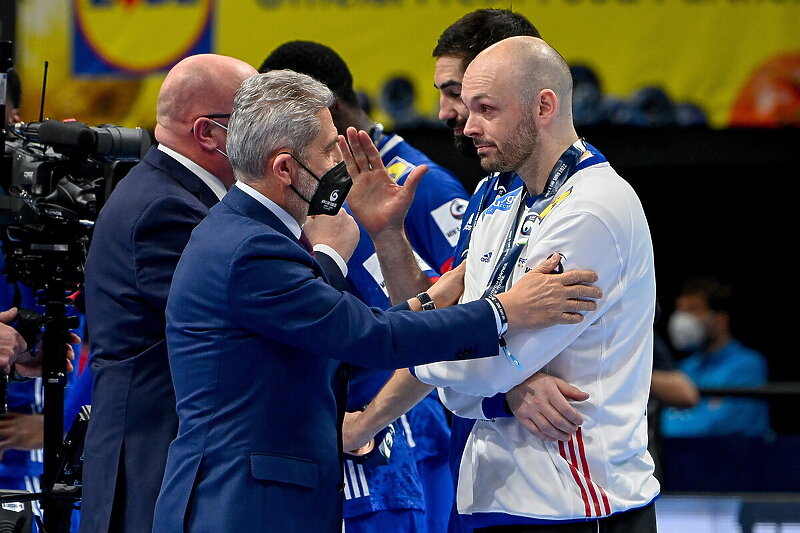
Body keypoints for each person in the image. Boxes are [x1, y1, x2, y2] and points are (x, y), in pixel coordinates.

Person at [151, 69, 604, 533]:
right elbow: (368, 337)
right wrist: (506, 310)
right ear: (284, 168)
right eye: (331, 150)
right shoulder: (252, 249)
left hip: (253, 496)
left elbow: (347, 324)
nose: (342, 166)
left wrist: (433, 296)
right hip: (244, 506)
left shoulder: (244, 232)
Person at [407, 36, 660, 531]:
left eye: (486, 108)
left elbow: (493, 368)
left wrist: (410, 345)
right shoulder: (494, 199)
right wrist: (490, 380)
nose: (468, 124)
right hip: (496, 495)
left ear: (544, 105)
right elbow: (469, 382)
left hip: (579, 504)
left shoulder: (592, 208)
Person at [260, 40, 470, 533]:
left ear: (321, 110)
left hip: (409, 438)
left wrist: (370, 419)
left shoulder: (417, 185)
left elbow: (455, 314)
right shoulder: (317, 199)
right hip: (371, 443)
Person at [79, 54, 258, 533]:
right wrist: (329, 252)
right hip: (154, 464)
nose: (268, 135)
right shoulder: (167, 209)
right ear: (207, 133)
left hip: (165, 459)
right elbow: (249, 321)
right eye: (253, 119)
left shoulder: (168, 193)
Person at [661, 277, 769, 437]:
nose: (682, 319)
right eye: (680, 309)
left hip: (735, 458)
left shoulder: (748, 365)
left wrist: (656, 430)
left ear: (720, 320)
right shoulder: (684, 368)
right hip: (684, 459)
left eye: (693, 309)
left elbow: (725, 424)